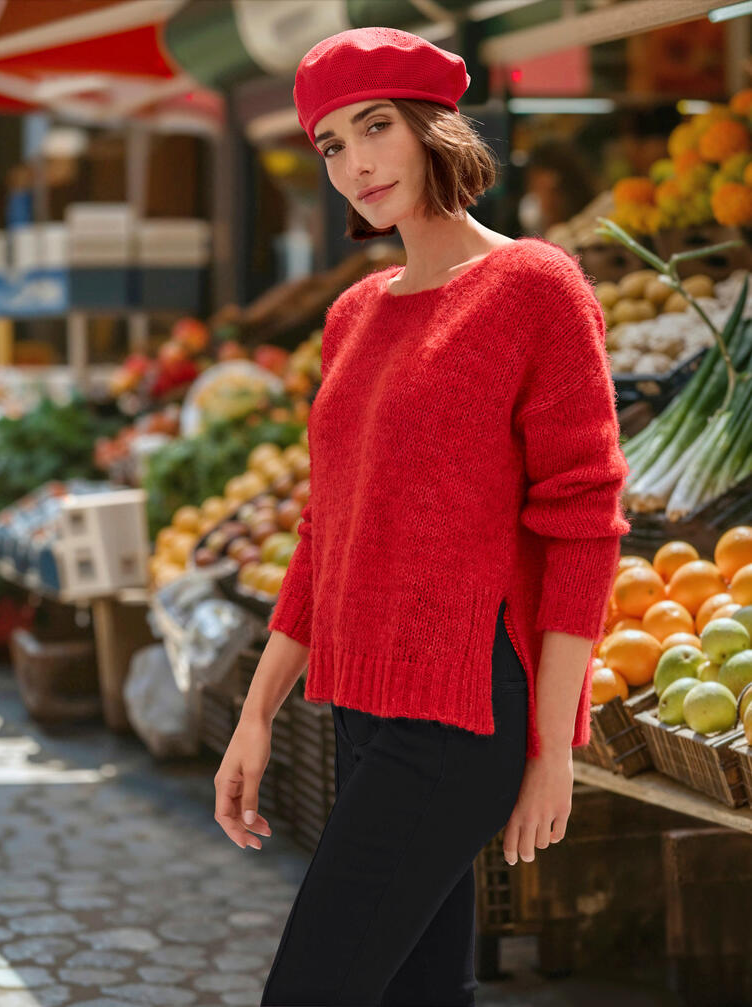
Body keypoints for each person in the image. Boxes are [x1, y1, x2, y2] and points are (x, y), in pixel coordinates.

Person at [213, 26, 630, 1007]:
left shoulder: (535, 286)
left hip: (459, 710)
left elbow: (581, 518)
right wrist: (256, 710)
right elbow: (328, 525)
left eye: (375, 127)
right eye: (328, 144)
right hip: (359, 701)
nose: (353, 163)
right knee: (414, 991)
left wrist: (550, 751)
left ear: (431, 129)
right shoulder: (352, 314)